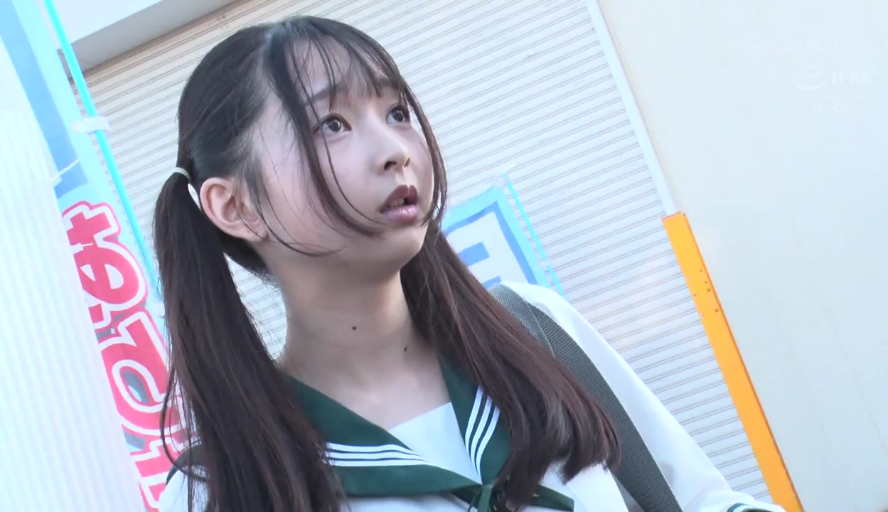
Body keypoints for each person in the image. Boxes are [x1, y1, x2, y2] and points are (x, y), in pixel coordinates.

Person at [154, 15, 785, 512]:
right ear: (236, 207)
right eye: (332, 125)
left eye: (397, 113)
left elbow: (700, 500)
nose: (395, 149)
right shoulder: (223, 485)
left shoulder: (532, 330)